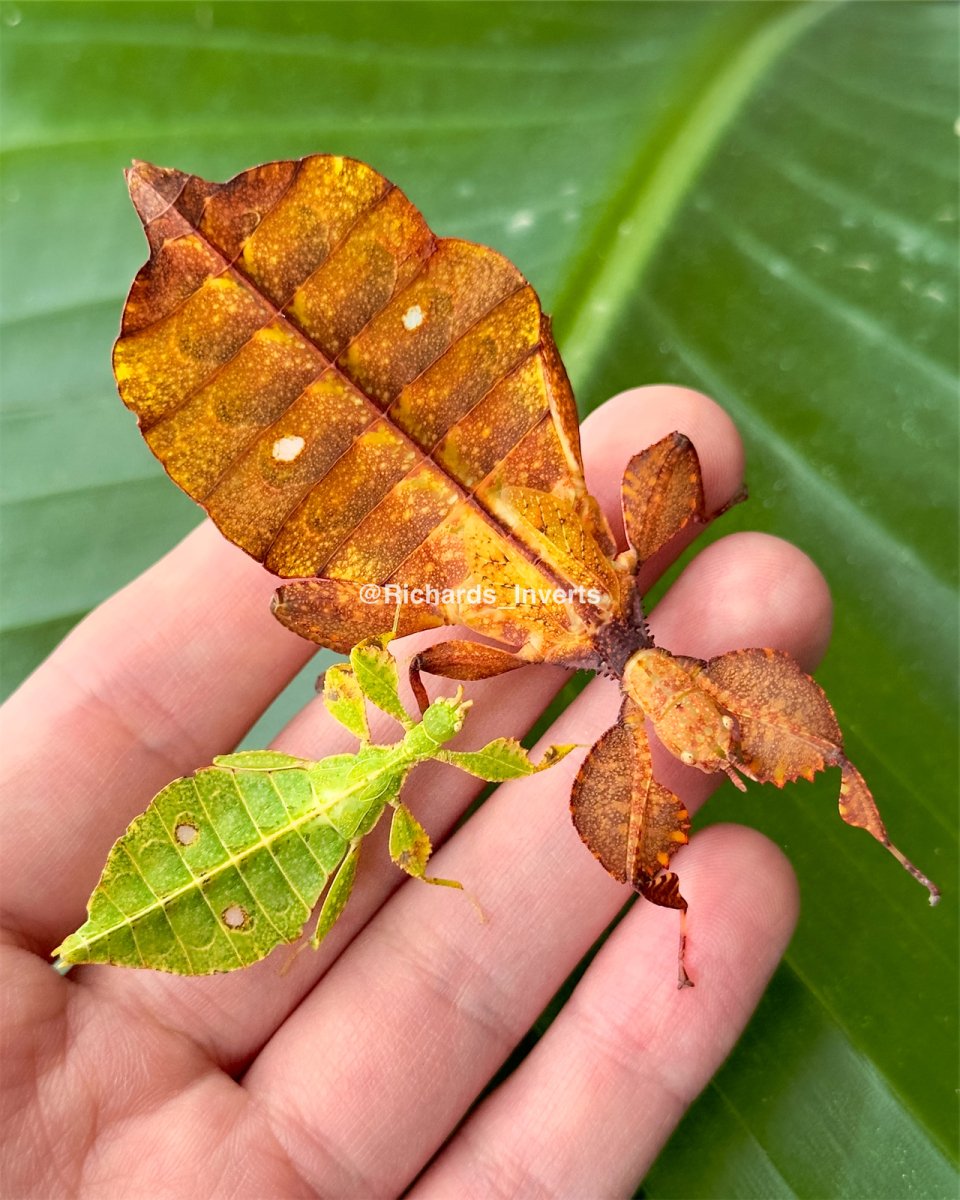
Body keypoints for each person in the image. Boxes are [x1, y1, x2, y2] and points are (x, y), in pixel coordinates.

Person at [0, 386, 830, 1197]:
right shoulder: (421, 770)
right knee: (307, 897)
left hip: (274, 821)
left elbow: (353, 691)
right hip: (274, 846)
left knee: (288, 860)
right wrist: (458, 854)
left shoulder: (395, 715)